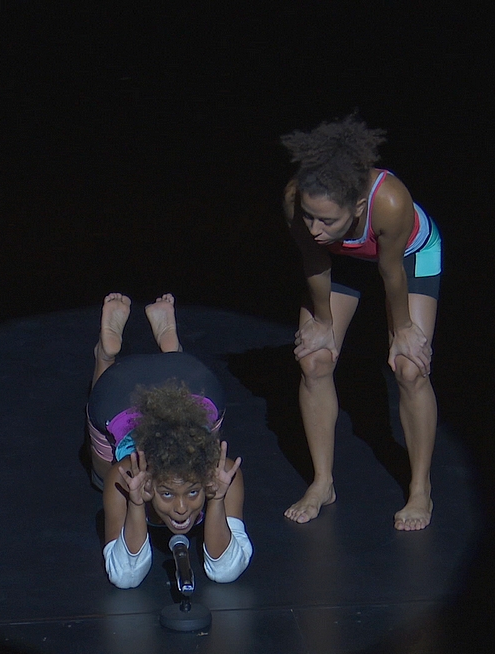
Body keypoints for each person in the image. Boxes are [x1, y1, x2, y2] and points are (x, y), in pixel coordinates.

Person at [280, 114, 442, 531]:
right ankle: (322, 483)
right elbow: (315, 258)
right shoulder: (298, 200)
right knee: (315, 358)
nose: (315, 228)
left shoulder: (389, 201)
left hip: (408, 256)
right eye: (309, 218)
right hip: (344, 258)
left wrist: (403, 329)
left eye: (326, 220)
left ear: (355, 206)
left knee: (410, 368)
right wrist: (321, 321)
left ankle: (420, 489)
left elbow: (391, 273)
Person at [86, 292, 253, 588]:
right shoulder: (125, 476)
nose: (181, 509)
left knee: (195, 407)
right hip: (118, 393)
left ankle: (171, 351)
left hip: (195, 390)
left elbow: (225, 568)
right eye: (166, 494)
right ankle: (109, 357)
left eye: (192, 493)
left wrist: (216, 499)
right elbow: (124, 575)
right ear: (149, 483)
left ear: (205, 480)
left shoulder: (221, 474)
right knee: (100, 475)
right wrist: (135, 504)